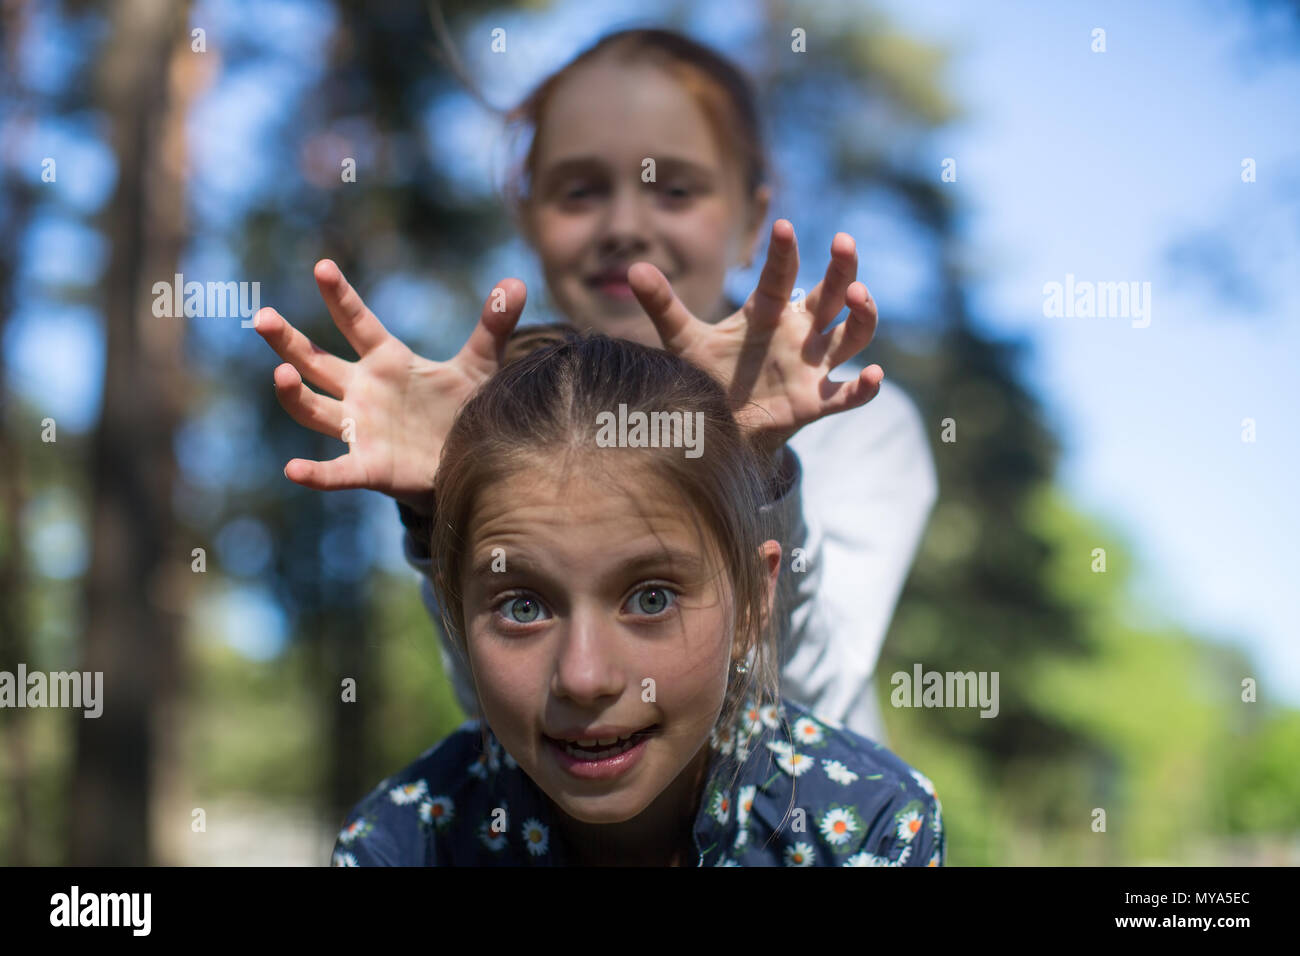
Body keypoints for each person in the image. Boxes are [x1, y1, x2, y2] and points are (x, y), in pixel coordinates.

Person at [253, 28, 937, 745]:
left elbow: (805, 700)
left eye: (674, 189)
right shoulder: (492, 420)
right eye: (580, 191)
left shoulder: (859, 424)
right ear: (527, 215)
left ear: (751, 222)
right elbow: (505, 711)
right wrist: (438, 510)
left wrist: (754, 465)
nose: (624, 225)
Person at [328, 329, 944, 866]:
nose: (585, 678)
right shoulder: (403, 843)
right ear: (456, 616)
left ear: (756, 601)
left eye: (651, 599)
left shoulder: (869, 824)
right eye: (523, 607)